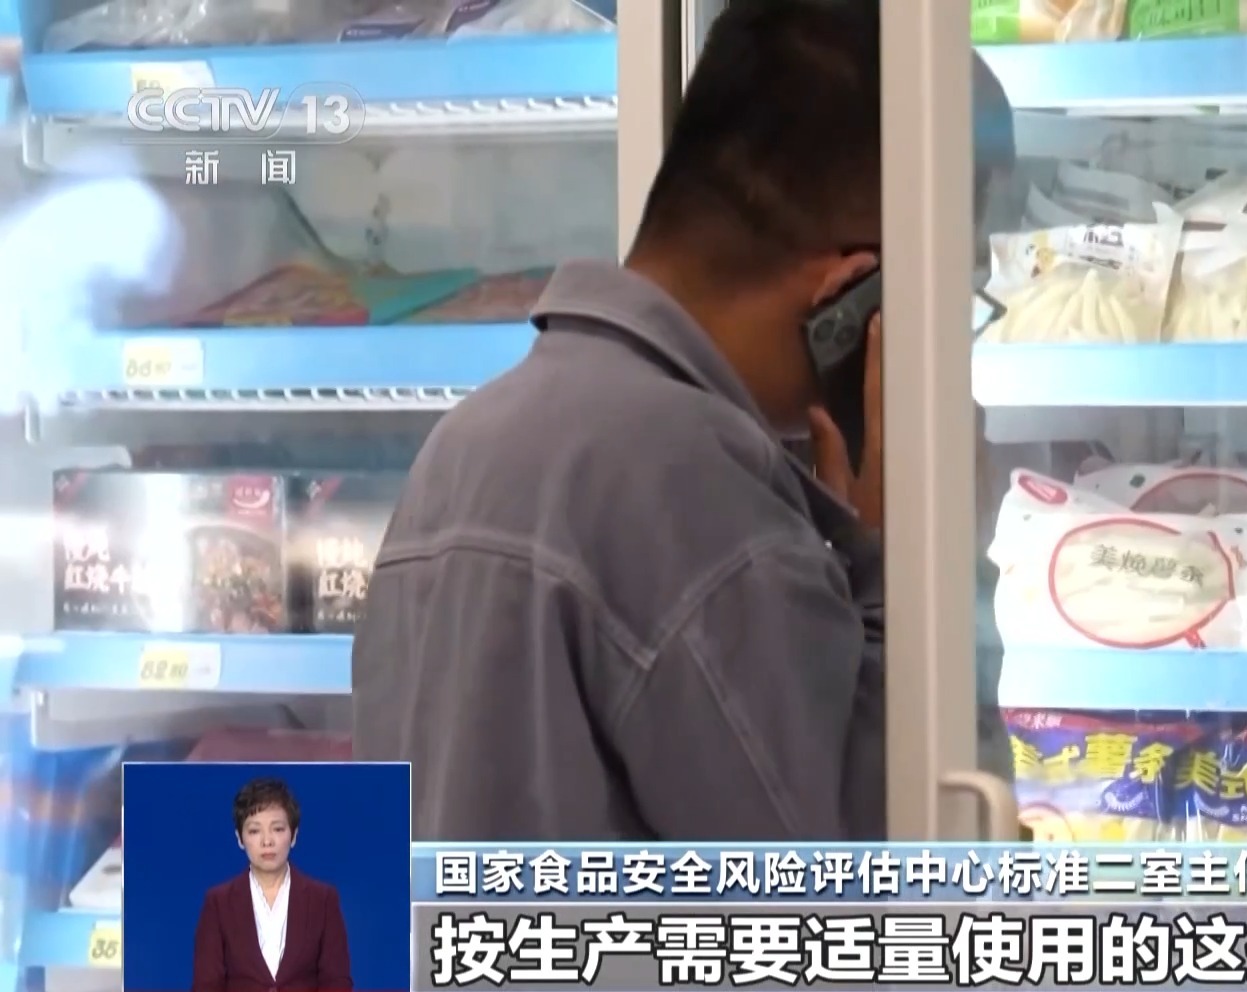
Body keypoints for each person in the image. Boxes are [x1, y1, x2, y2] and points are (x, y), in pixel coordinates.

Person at [350, 0, 1016, 841]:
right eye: (954, 295)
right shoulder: (697, 489)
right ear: (852, 293)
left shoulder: (469, 442)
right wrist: (925, 565)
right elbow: (889, 876)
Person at [192, 779, 351, 992]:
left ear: (293, 835)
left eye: (277, 829)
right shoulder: (218, 903)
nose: (267, 841)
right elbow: (206, 985)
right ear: (240, 838)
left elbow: (337, 981)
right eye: (254, 831)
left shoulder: (323, 899)